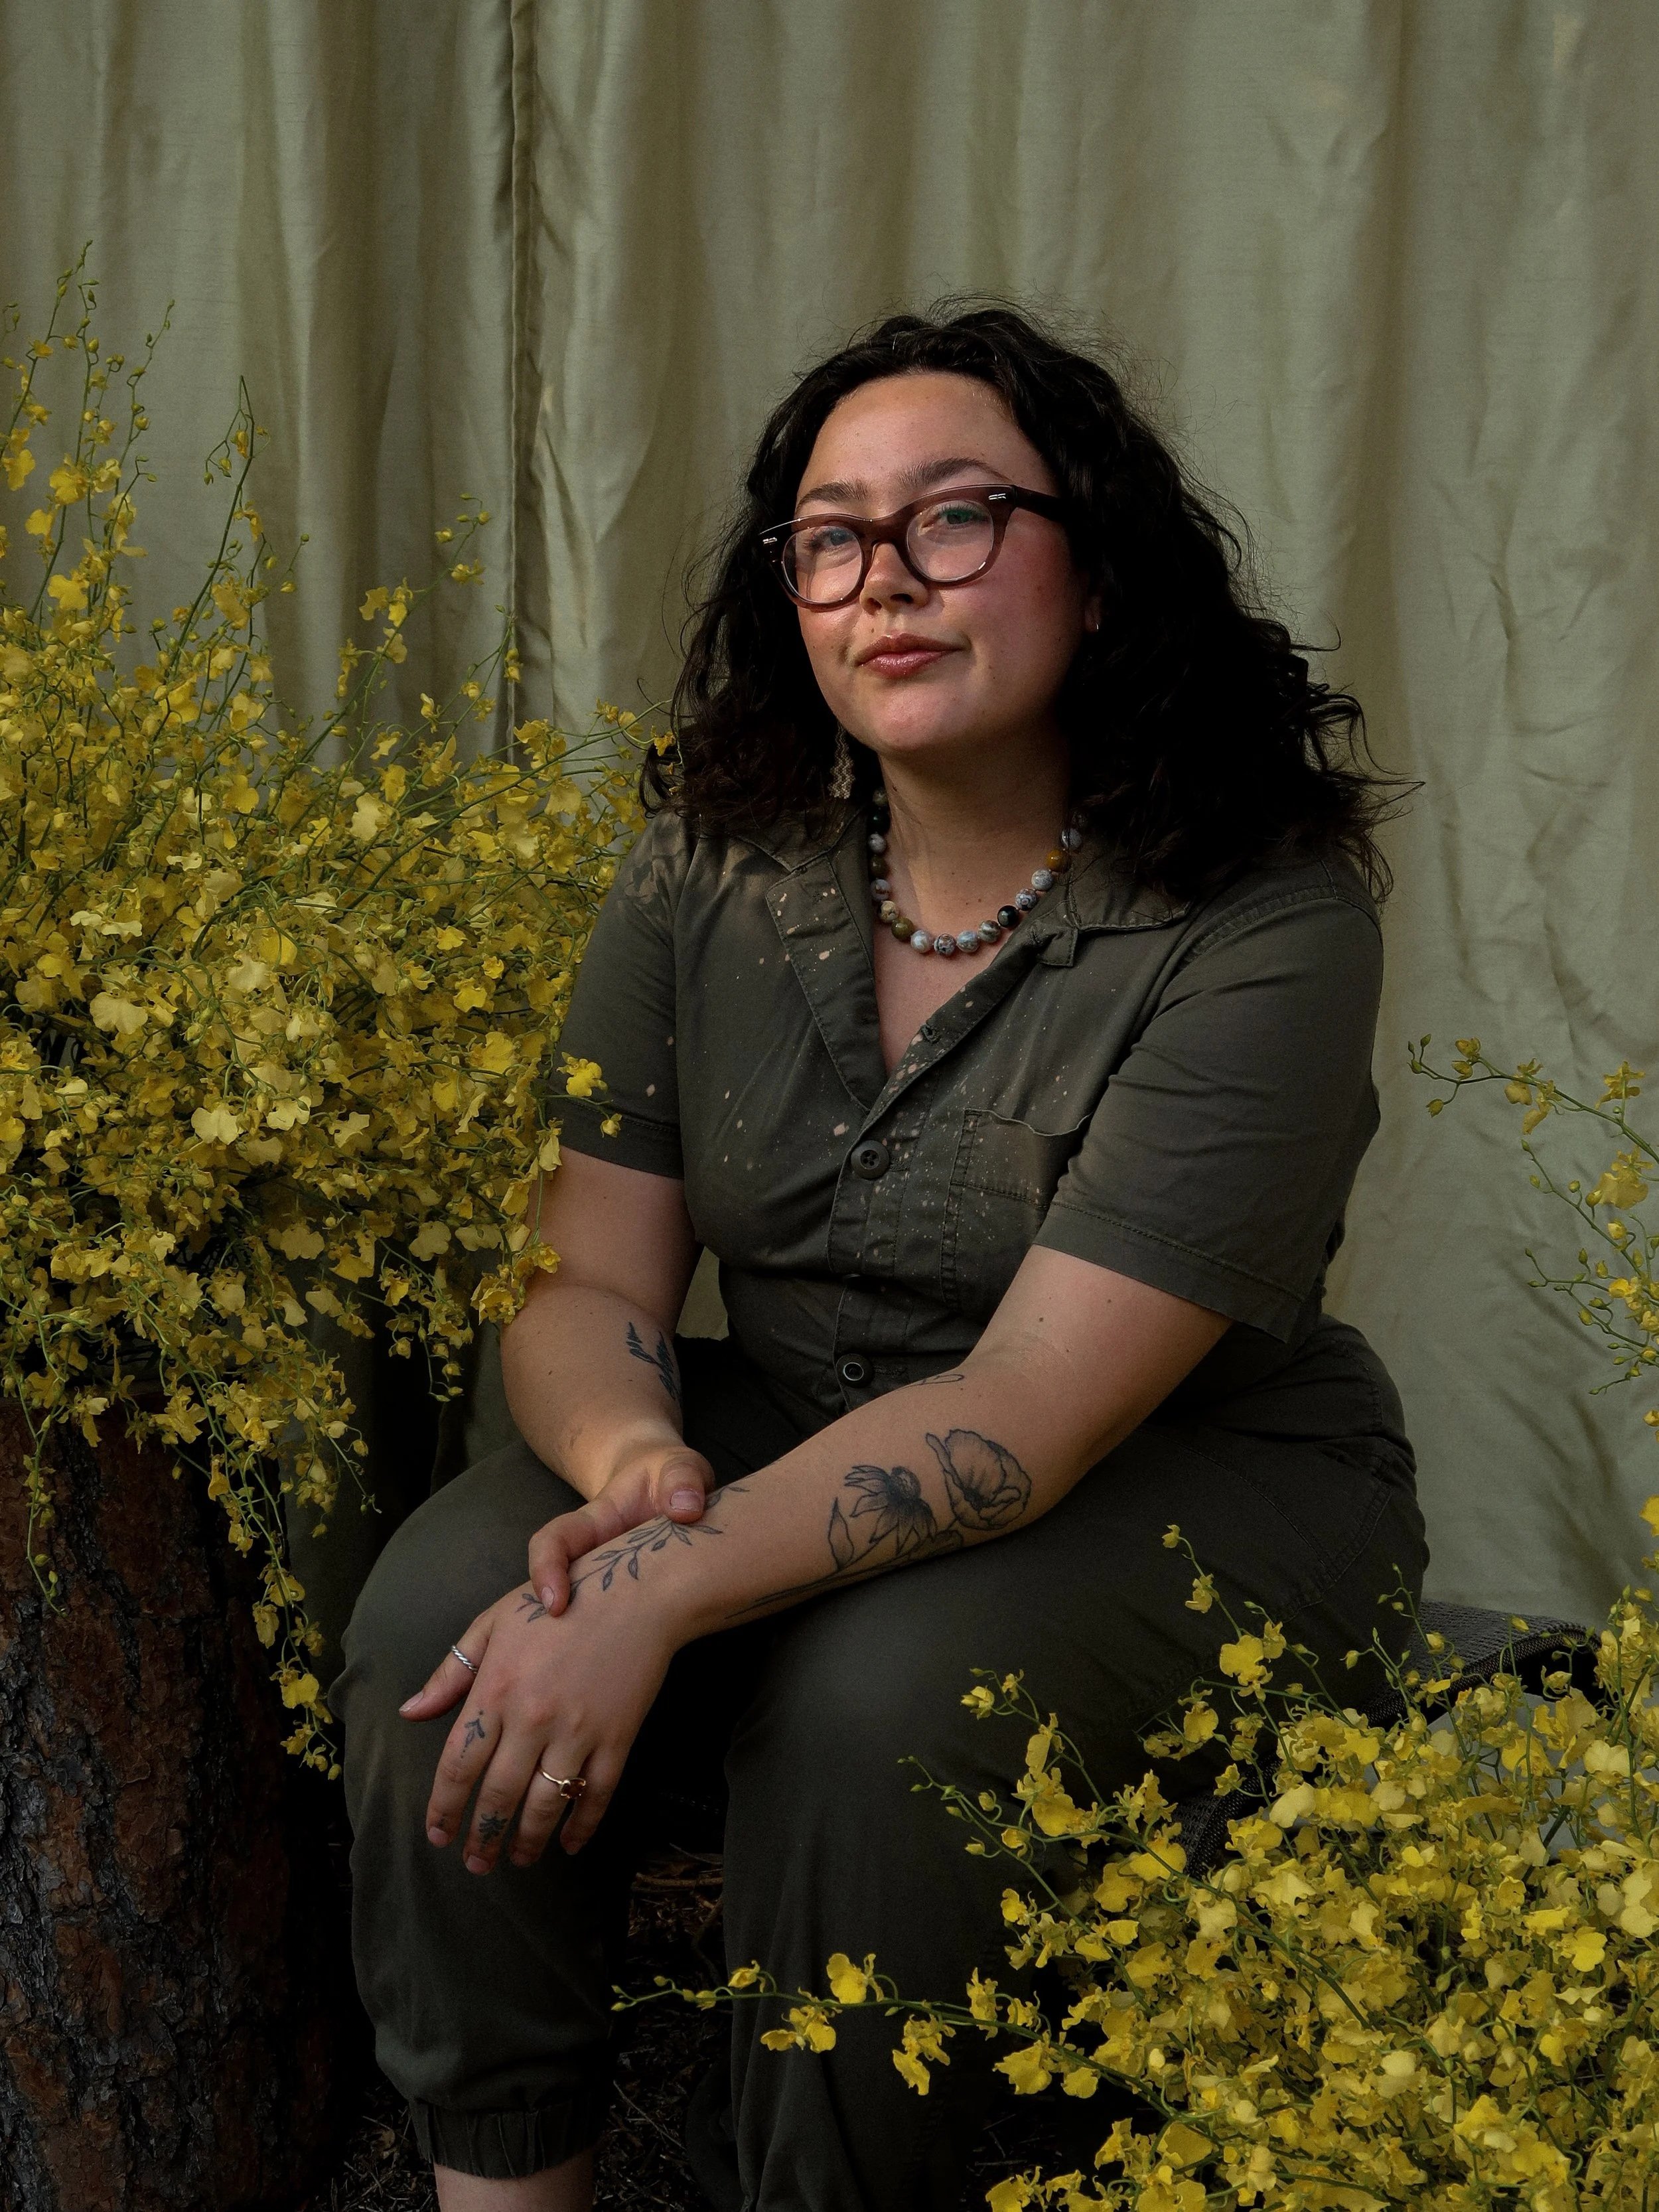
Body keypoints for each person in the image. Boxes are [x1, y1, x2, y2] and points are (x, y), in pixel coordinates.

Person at [336, 303, 1427, 2212]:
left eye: (956, 519)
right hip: (794, 1416)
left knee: (876, 1699)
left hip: (1186, 1479)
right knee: (440, 1614)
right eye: (829, 536)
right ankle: (511, 2184)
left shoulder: (1263, 915)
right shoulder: (712, 858)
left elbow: (1017, 1411)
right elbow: (589, 1286)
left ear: (1095, 570)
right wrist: (635, 1470)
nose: (883, 582)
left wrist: (662, 1583)